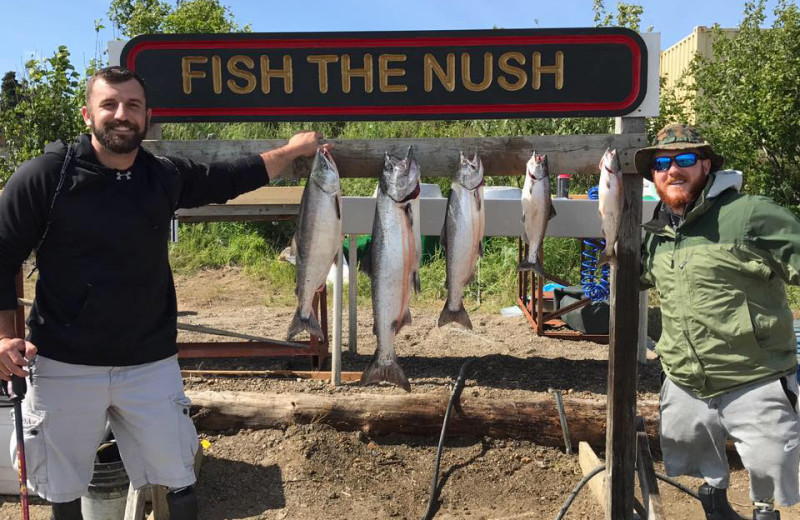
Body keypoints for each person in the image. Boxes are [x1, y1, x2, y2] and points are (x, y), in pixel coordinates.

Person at [0, 66, 329, 520]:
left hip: (149, 365)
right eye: (109, 104)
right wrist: (3, 337)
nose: (121, 114)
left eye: (132, 105)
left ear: (147, 116)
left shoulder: (163, 176)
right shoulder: (45, 177)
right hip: (63, 363)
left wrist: (292, 151)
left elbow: (231, 176)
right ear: (87, 114)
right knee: (62, 487)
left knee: (177, 476)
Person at [635, 123, 800, 520]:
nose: (673, 169)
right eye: (662, 163)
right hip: (685, 380)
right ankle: (715, 501)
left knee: (775, 472)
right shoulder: (656, 233)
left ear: (706, 166)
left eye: (686, 159)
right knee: (697, 463)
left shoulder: (750, 214)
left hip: (753, 376)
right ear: (654, 175)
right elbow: (635, 278)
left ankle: (764, 511)